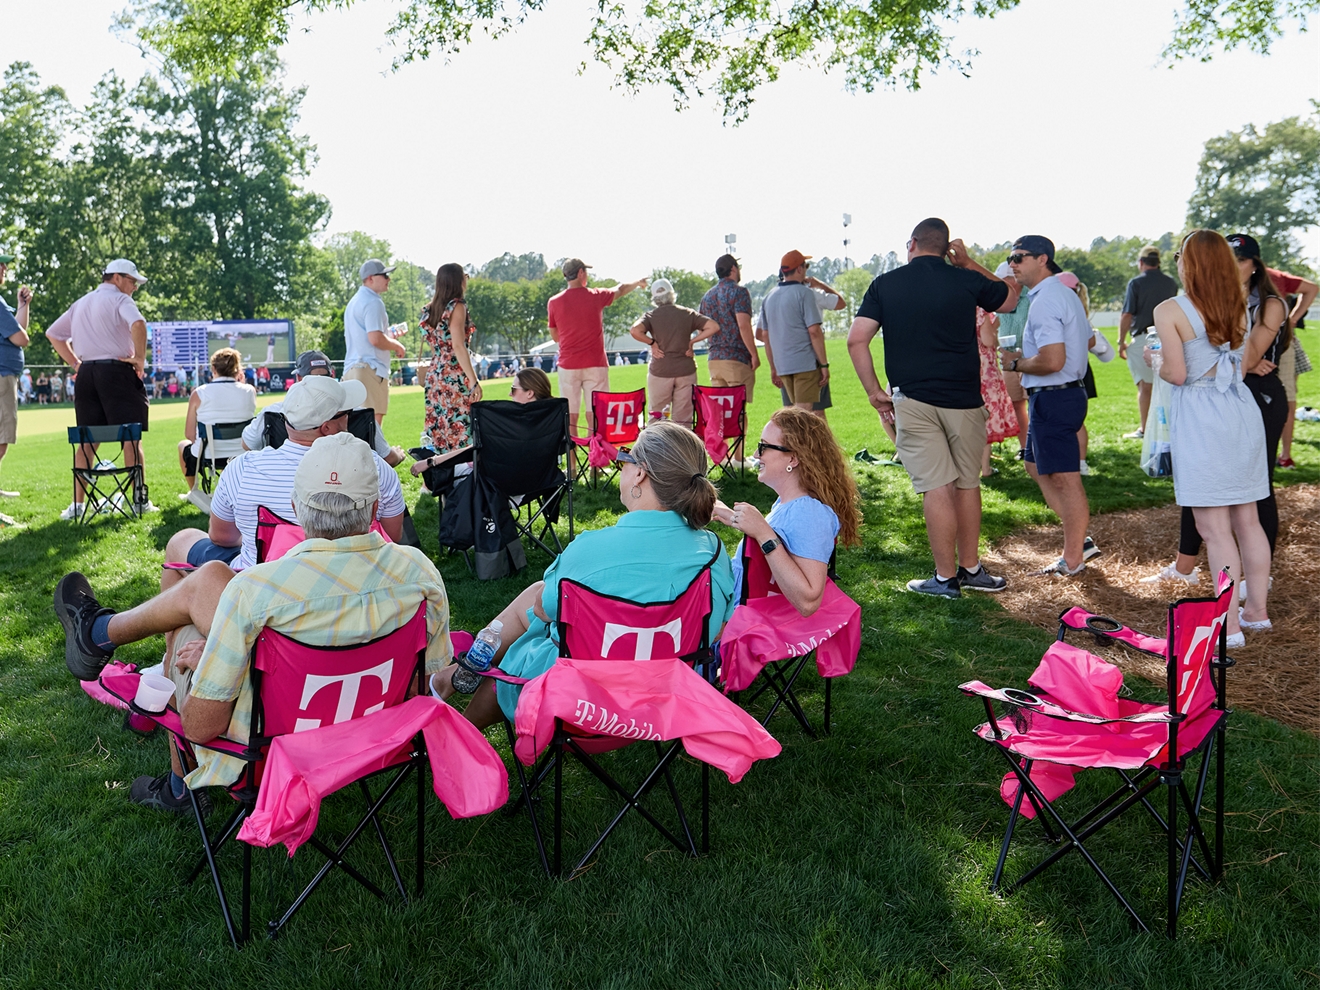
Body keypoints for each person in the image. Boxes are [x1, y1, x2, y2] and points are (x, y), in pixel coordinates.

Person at [54, 432, 453, 812]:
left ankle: (179, 791)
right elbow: (428, 686)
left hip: (263, 755)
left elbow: (199, 727)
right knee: (209, 583)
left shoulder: (257, 589)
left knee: (182, 628)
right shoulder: (419, 573)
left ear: (296, 510)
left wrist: (210, 660)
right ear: (371, 508)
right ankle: (101, 635)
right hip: (374, 740)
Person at [429, 421, 734, 727]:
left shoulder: (591, 549)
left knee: (535, 620)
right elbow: (717, 628)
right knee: (544, 604)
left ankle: (461, 711)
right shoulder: (713, 553)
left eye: (626, 457)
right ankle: (458, 680)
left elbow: (542, 610)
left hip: (583, 701)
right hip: (665, 695)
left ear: (640, 473)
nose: (623, 465)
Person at [847, 218, 1020, 598]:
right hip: (964, 398)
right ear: (945, 248)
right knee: (967, 482)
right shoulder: (963, 278)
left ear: (911, 244)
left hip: (915, 398)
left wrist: (874, 390)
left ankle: (944, 579)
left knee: (936, 487)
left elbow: (857, 339)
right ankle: (971, 568)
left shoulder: (885, 284)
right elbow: (1009, 298)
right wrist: (969, 262)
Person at [1144, 232, 1291, 589]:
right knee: (1248, 519)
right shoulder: (1239, 305)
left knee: (1213, 527)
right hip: (1240, 407)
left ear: (1188, 263)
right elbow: (1239, 368)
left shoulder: (1170, 309)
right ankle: (1256, 611)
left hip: (1202, 414)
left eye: (1180, 255)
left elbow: (1177, 374)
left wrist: (1155, 361)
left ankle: (1232, 625)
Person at [165, 375, 407, 577]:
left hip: (260, 583)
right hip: (354, 577)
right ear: (327, 427)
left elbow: (221, 537)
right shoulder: (374, 468)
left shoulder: (242, 470)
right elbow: (391, 538)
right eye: (346, 413)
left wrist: (261, 542)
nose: (350, 417)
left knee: (182, 540)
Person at [1001, 236, 1099, 575]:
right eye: (1011, 258)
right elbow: (1087, 339)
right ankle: (1079, 537)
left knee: (1065, 480)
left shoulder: (1046, 300)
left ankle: (1073, 558)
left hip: (1055, 395)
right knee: (1035, 466)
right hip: (1059, 395)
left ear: (1042, 259)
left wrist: (1015, 364)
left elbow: (1052, 360)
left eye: (1019, 257)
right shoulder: (1060, 294)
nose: (1013, 263)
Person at [713, 408, 861, 616]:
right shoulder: (790, 504)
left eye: (763, 447)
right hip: (749, 624)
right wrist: (732, 515)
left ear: (793, 459)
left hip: (753, 635)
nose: (756, 455)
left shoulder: (809, 512)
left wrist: (763, 533)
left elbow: (808, 601)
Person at [45, 259, 154, 519]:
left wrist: (76, 363)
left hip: (87, 375)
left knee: (86, 441)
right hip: (117, 372)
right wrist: (139, 358)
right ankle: (138, 500)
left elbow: (53, 334)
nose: (135, 287)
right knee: (131, 437)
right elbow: (138, 324)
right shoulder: (120, 300)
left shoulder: (80, 303)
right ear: (116, 278)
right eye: (132, 280)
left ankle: (78, 505)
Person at [241, 350, 405, 466]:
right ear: (332, 375)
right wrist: (398, 455)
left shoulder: (273, 412)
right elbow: (386, 459)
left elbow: (248, 444)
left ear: (299, 378)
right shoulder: (358, 411)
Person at [1238, 243, 1318, 469]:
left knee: (1285, 397)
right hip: (1251, 354)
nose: (1235, 266)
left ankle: (1285, 454)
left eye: (1241, 260)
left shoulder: (1274, 279)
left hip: (1277, 345)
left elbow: (1312, 287)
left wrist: (1291, 320)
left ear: (1255, 264)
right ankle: (1283, 453)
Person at [546, 258, 647, 435]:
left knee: (571, 417)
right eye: (585, 271)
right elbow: (621, 289)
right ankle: (595, 460)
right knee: (596, 415)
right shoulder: (595, 296)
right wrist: (637, 282)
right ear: (580, 273)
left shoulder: (554, 302)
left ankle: (573, 462)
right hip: (595, 364)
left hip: (568, 365)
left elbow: (555, 336)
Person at [175, 348, 257, 509]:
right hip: (242, 453)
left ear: (213, 369)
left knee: (182, 445)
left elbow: (190, 435)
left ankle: (194, 490)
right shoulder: (249, 391)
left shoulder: (199, 393)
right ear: (238, 370)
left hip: (208, 454)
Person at [630, 278, 719, 425]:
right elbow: (713, 326)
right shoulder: (688, 313)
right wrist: (692, 341)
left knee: (657, 418)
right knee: (684, 420)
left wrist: (652, 343)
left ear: (655, 298)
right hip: (686, 370)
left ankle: (657, 447)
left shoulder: (650, 316)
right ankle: (682, 447)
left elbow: (634, 330)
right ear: (672, 294)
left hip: (660, 371)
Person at [699, 254, 760, 463]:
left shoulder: (707, 296)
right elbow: (743, 325)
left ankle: (721, 454)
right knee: (739, 410)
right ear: (733, 269)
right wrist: (754, 353)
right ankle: (738, 456)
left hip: (714, 358)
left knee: (720, 411)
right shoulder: (739, 292)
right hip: (736, 357)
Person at [420, 263, 483, 456]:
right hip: (453, 372)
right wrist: (473, 381)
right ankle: (464, 472)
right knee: (460, 421)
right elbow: (458, 345)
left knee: (439, 423)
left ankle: (436, 474)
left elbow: (434, 347)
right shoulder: (457, 306)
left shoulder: (429, 309)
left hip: (435, 373)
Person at [1118, 245, 1178, 440]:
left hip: (1145, 337)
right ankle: (1168, 426)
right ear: (1158, 262)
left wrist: (1121, 341)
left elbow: (1127, 314)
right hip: (1170, 337)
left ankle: (1145, 429)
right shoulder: (1171, 283)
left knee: (1145, 387)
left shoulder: (1135, 283)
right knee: (1166, 385)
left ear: (1141, 262)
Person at [760, 251, 828, 416]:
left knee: (792, 415)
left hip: (783, 365)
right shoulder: (804, 293)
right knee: (802, 416)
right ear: (799, 269)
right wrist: (824, 365)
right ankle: (796, 443)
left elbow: (765, 336)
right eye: (805, 266)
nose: (806, 270)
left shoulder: (769, 297)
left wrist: (773, 367)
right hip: (805, 363)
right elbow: (814, 331)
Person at [343, 258, 407, 428]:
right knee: (373, 428)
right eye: (384, 275)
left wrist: (389, 335)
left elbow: (369, 336)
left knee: (355, 427)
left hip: (351, 369)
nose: (388, 279)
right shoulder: (373, 302)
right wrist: (397, 345)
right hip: (370, 369)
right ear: (371, 278)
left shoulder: (354, 301)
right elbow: (375, 339)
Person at [0, 252, 31, 503]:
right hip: (2, 377)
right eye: (0, 265)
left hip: (5, 376)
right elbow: (22, 338)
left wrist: (23, 306)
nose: (4, 269)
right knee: (2, 438)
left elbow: (19, 329)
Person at [974, 307, 1018, 477]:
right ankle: (985, 468)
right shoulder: (981, 312)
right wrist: (994, 329)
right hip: (984, 371)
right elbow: (987, 341)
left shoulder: (953, 304)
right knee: (986, 419)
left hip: (962, 367)